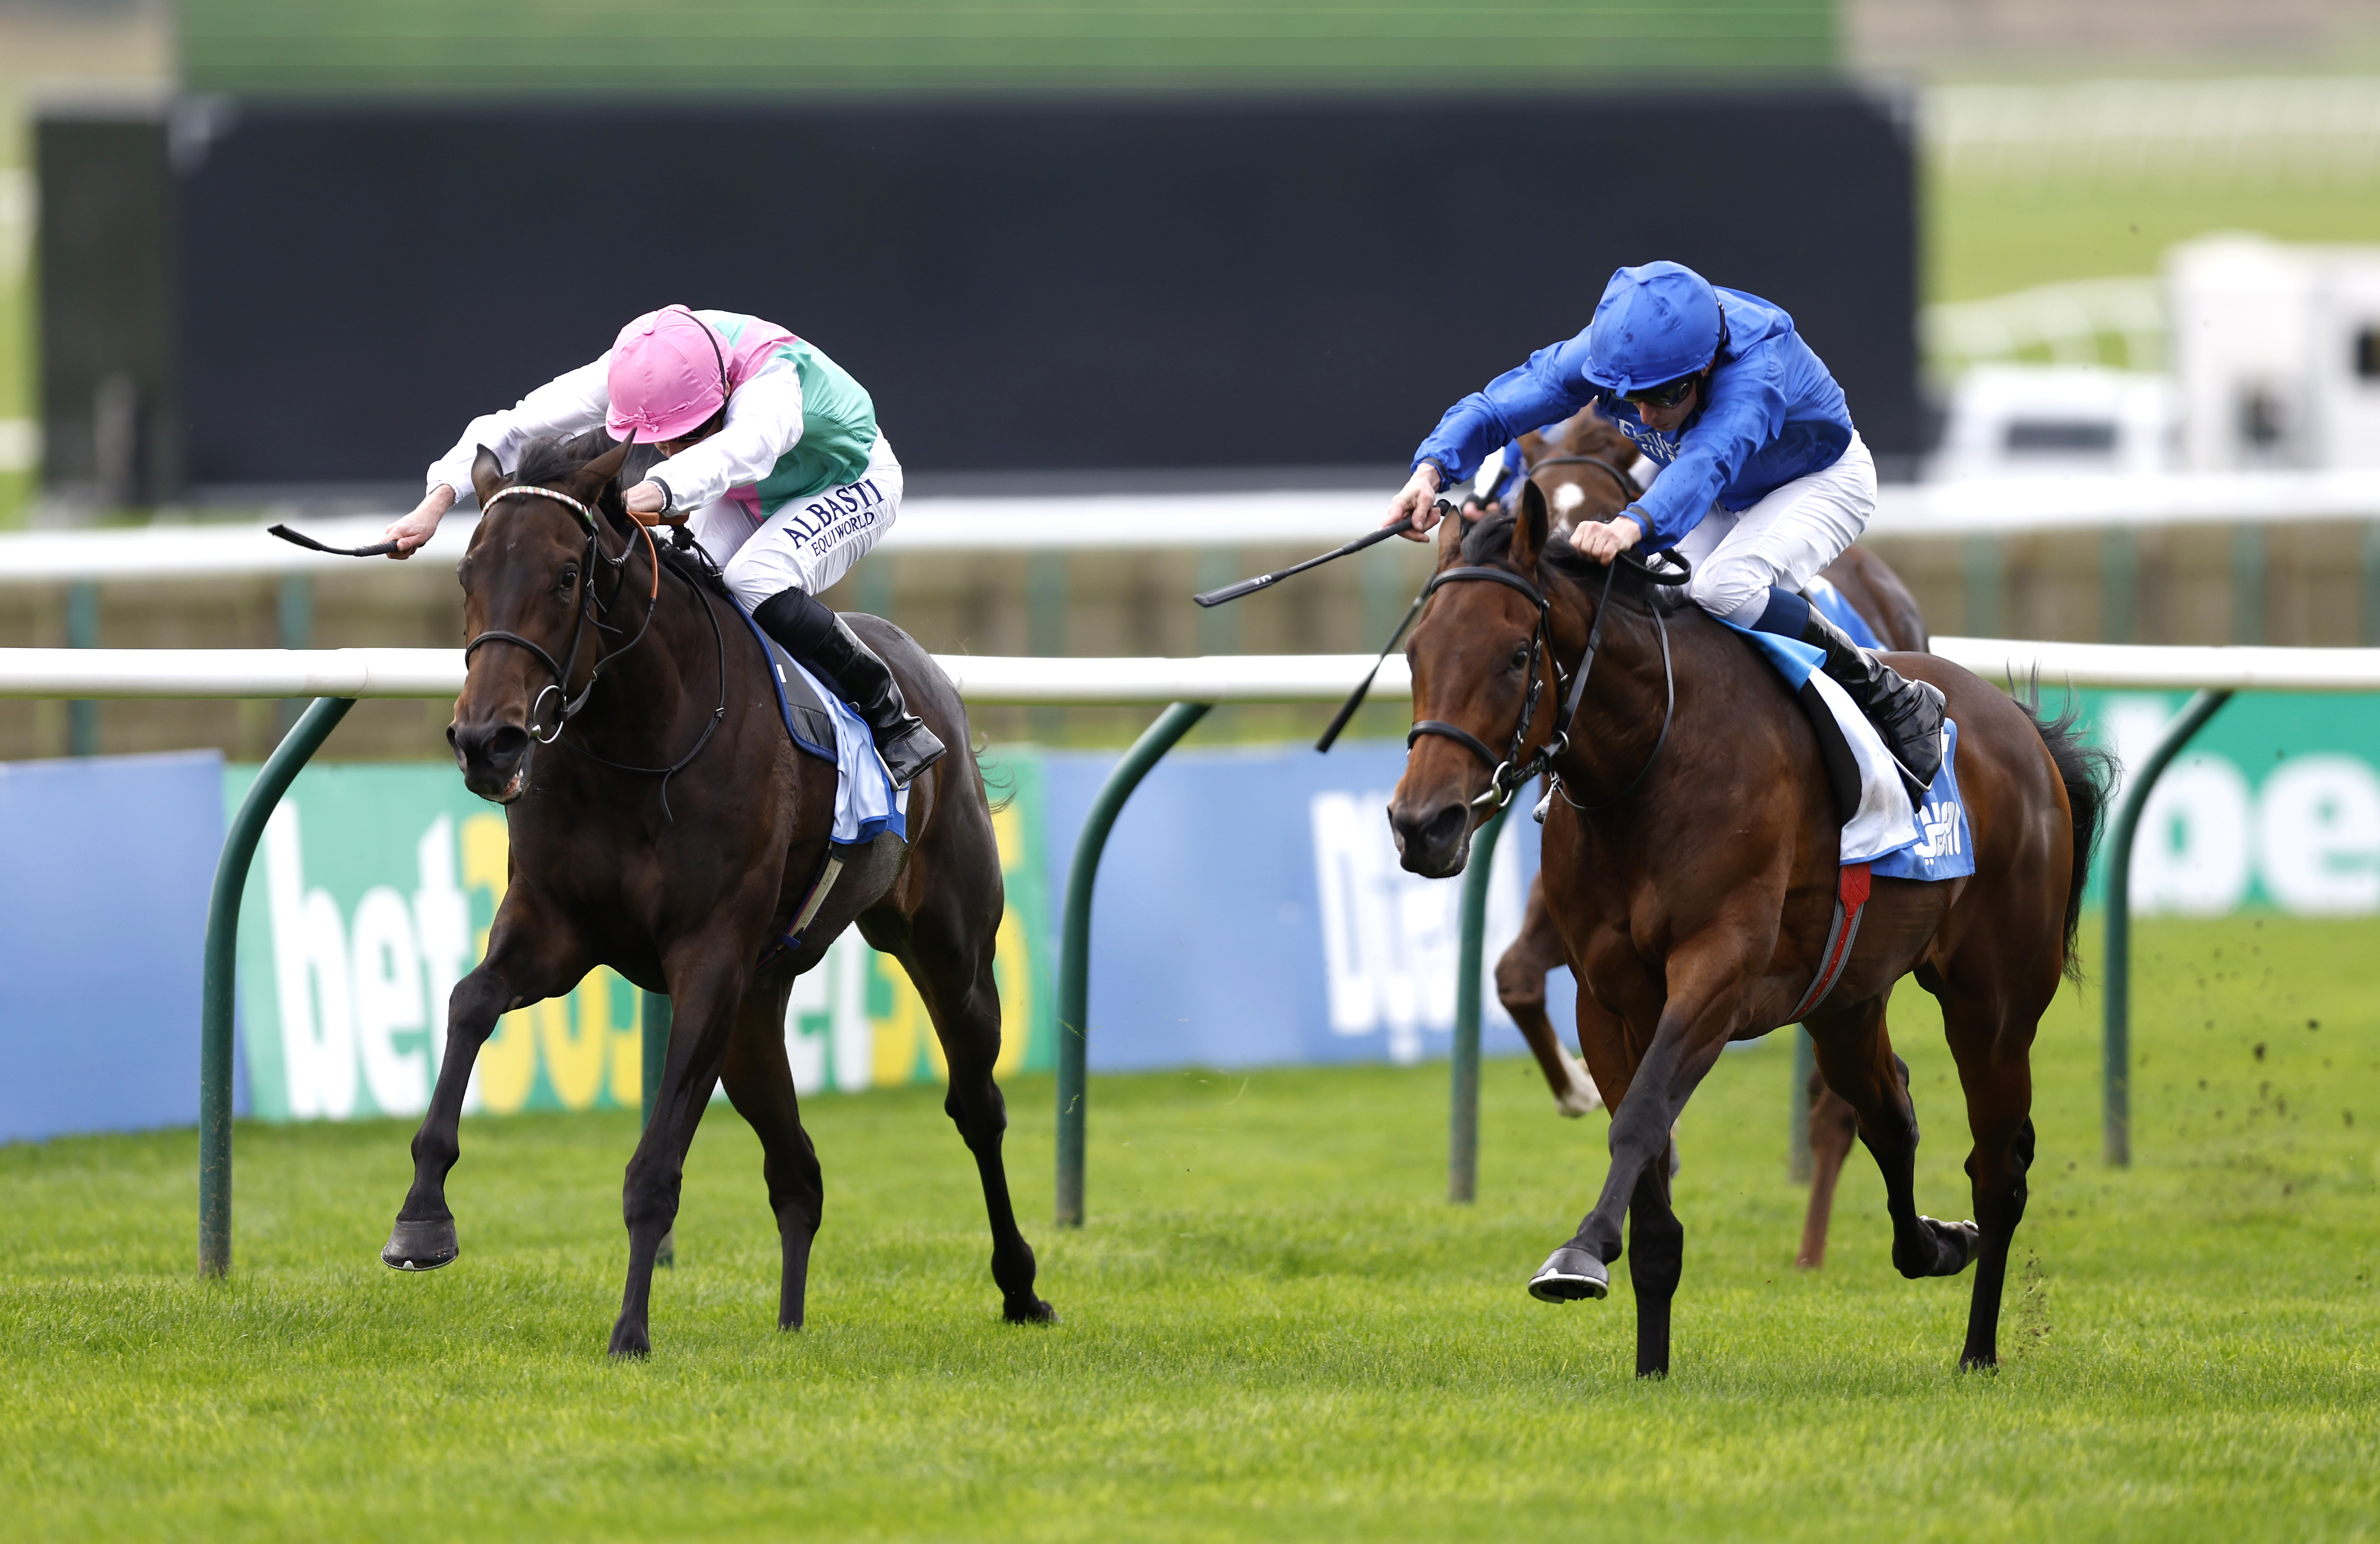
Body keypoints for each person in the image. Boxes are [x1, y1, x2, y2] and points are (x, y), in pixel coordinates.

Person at [1386, 260, 1943, 798]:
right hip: (1725, 489)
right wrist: (1430, 471)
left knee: (1724, 588)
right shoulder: (1617, 350)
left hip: (1821, 480)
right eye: (1632, 399)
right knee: (1642, 599)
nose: (1648, 417)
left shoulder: (1758, 368)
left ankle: (1889, 693)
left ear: (1707, 366)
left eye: (1666, 395)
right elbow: (1503, 405)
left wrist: (1633, 525)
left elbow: (1706, 462)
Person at [386, 304, 945, 786]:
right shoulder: (637, 370)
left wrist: (642, 494)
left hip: (848, 480)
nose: (674, 449)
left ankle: (889, 714)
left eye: (688, 433)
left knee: (754, 580)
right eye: (663, 440)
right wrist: (435, 503)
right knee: (675, 584)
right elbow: (511, 428)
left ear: (722, 394)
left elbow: (735, 455)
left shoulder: (773, 386)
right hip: (750, 491)